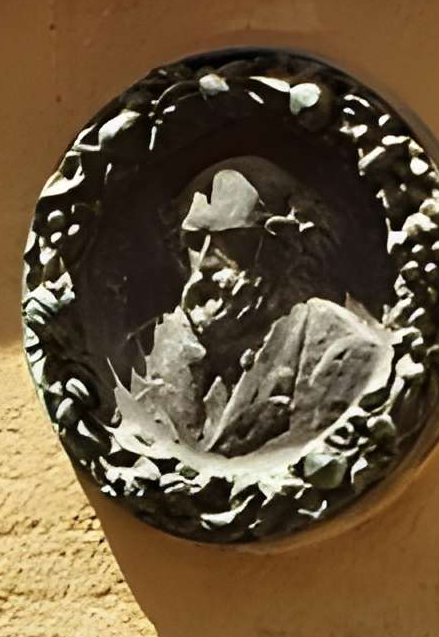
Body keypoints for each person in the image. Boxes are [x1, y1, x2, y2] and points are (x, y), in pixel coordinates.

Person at [120, 161, 389, 460]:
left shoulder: (341, 351)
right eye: (195, 241)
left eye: (231, 239)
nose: (206, 262)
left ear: (284, 249)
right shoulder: (170, 357)